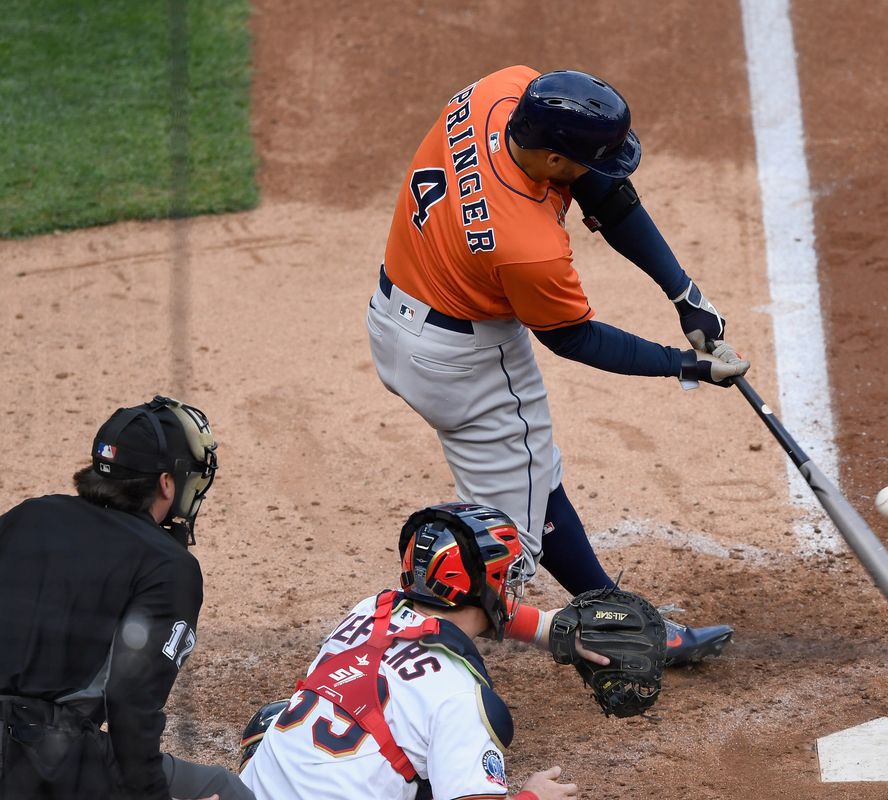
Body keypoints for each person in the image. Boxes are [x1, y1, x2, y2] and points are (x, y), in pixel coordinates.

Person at [366, 66, 750, 665]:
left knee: (535, 477)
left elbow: (602, 189)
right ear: (551, 159)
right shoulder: (527, 246)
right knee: (504, 553)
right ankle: (396, 657)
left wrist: (684, 293)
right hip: (463, 364)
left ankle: (618, 616)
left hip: (398, 313)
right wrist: (686, 366)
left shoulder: (500, 92)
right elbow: (574, 338)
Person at [0, 396, 251, 800]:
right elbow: (131, 713)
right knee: (226, 790)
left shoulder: (27, 515)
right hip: (42, 763)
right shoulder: (168, 565)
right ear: (166, 483)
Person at [240, 503, 579, 800]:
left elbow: (455, 612)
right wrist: (533, 795)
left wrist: (546, 627)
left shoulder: (367, 611)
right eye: (503, 577)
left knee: (274, 720)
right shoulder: (459, 695)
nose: (509, 586)